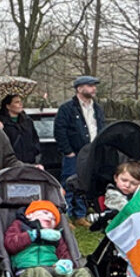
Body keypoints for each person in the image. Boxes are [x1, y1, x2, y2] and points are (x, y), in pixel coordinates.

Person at [2, 200, 95, 277]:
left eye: (54, 218)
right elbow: (10, 244)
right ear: (30, 215)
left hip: (53, 268)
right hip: (28, 270)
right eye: (45, 213)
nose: (50, 218)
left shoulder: (55, 235)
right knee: (40, 272)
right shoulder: (19, 226)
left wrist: (66, 263)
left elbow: (64, 253)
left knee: (83, 272)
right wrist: (34, 235)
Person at [54, 75, 106, 226]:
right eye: (90, 85)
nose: (93, 88)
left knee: (85, 186)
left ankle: (80, 215)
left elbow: (100, 128)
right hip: (74, 154)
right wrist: (68, 151)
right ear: (79, 88)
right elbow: (60, 131)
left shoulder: (97, 108)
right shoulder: (67, 108)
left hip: (91, 154)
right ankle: (65, 217)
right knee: (68, 185)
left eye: (94, 85)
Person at [0, 94, 41, 166]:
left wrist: (35, 151)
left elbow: (35, 138)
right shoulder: (0, 123)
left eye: (20, 101)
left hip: (30, 162)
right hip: (11, 164)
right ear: (8, 106)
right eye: (16, 102)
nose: (20, 104)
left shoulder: (27, 121)